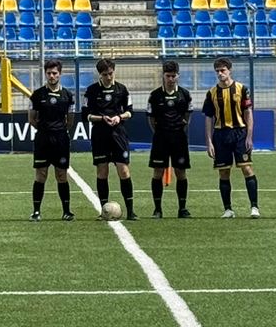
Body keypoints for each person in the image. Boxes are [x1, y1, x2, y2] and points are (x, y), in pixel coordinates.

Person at [203, 56, 259, 218]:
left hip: (239, 133)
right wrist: (209, 142)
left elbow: (248, 113)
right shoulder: (212, 93)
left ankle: (254, 207)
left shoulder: (242, 89)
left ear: (229, 70)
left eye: (223, 70)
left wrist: (249, 136)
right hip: (220, 135)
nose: (220, 74)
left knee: (246, 168)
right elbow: (208, 117)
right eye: (217, 71)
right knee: (223, 172)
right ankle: (228, 209)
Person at [82, 57, 137, 220]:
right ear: (100, 74)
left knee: (124, 170)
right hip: (100, 135)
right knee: (102, 171)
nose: (108, 77)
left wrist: (119, 117)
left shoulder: (122, 89)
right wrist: (102, 118)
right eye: (105, 74)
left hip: (118, 134)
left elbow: (130, 111)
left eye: (111, 73)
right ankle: (104, 210)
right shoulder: (91, 91)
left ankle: (131, 211)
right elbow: (86, 115)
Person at [27, 58, 76, 220]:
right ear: (45, 74)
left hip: (61, 139)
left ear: (60, 74)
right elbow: (32, 119)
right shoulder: (37, 95)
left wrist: (60, 131)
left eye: (55, 73)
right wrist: (45, 130)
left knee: (61, 175)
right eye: (49, 73)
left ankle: (66, 211)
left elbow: (70, 120)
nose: (52, 76)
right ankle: (36, 211)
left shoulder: (67, 96)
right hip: (43, 139)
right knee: (41, 174)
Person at [145, 58, 193, 218]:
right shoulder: (155, 95)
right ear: (163, 76)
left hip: (179, 138)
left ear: (178, 76)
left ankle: (182, 208)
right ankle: (157, 209)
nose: (171, 79)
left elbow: (188, 114)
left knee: (181, 172)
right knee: (158, 172)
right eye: (168, 76)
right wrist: (159, 131)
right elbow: (151, 118)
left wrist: (181, 128)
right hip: (161, 138)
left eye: (173, 76)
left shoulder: (185, 94)